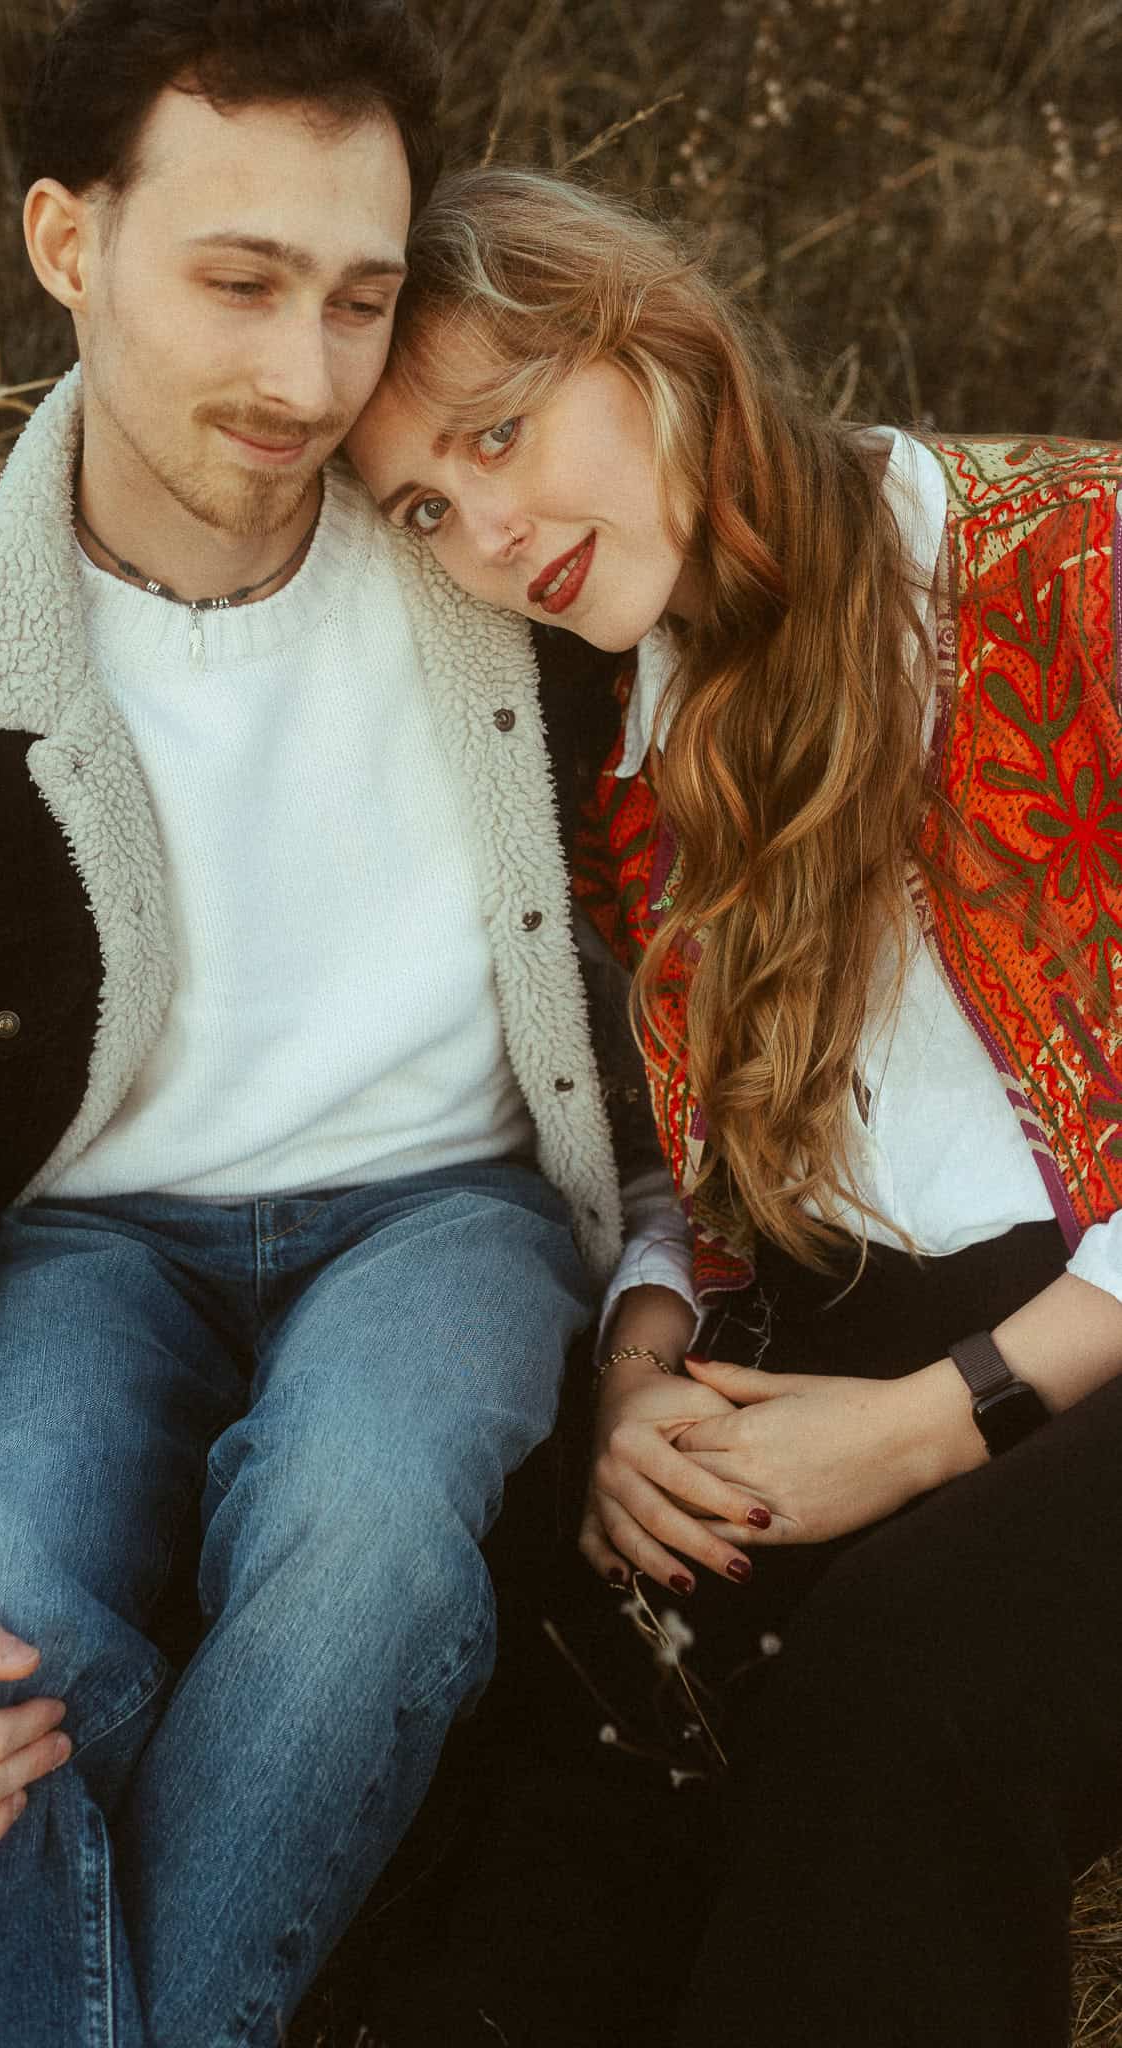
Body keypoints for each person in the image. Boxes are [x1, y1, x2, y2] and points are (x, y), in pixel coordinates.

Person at [0, 20, 708, 2040]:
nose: (304, 379)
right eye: (237, 279)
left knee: (367, 1525)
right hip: (87, 1244)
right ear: (63, 242)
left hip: (441, 1212)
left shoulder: (499, 578)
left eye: (359, 300)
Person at [346, 163, 1122, 2048]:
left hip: (1077, 1327)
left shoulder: (1070, 564)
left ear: (655, 341)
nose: (487, 527)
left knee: (898, 1701)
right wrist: (642, 1363)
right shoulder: (624, 750)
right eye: (426, 506)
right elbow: (703, 1153)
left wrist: (946, 1425)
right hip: (860, 1325)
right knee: (580, 1763)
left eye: (503, 430)